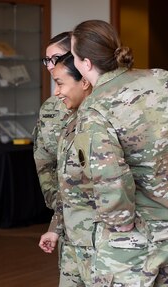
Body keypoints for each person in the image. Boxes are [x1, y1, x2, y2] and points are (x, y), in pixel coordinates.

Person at [71, 19, 168, 286]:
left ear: (86, 63)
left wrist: (119, 219)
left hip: (140, 236)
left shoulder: (96, 106)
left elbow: (108, 171)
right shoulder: (161, 78)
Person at [38, 52, 95, 286]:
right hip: (73, 242)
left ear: (84, 80)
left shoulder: (104, 122)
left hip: (100, 246)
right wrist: (56, 227)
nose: (56, 92)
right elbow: (70, 185)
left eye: (60, 83)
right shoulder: (72, 121)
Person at [33, 32, 75, 286]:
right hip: (67, 215)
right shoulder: (51, 106)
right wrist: (58, 210)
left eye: (55, 59)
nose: (50, 66)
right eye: (46, 60)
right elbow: (44, 160)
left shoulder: (101, 103)